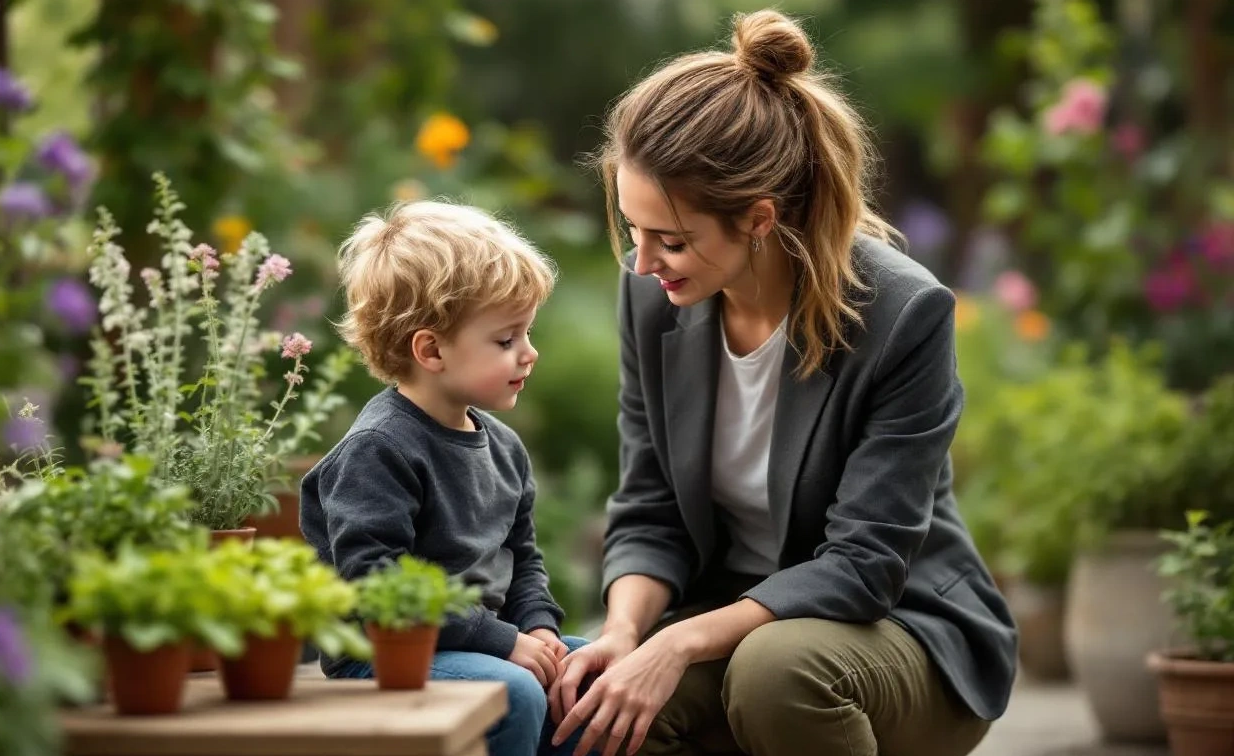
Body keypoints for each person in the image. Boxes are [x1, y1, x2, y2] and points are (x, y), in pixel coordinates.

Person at [546, 10, 1017, 756]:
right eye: (632, 232)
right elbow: (650, 507)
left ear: (759, 219)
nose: (642, 264)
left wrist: (680, 644)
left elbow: (864, 565)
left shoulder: (901, 314)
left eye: (671, 240)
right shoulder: (650, 297)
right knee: (591, 708)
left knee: (773, 676)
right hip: (735, 620)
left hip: (900, 631)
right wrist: (627, 633)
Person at [299, 200, 590, 756]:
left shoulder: (503, 447)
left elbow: (523, 558)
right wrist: (503, 641)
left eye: (527, 334)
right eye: (506, 340)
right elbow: (375, 582)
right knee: (519, 692)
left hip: (481, 642)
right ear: (430, 349)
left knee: (592, 677)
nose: (529, 353)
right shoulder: (379, 451)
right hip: (384, 654)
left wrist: (539, 628)